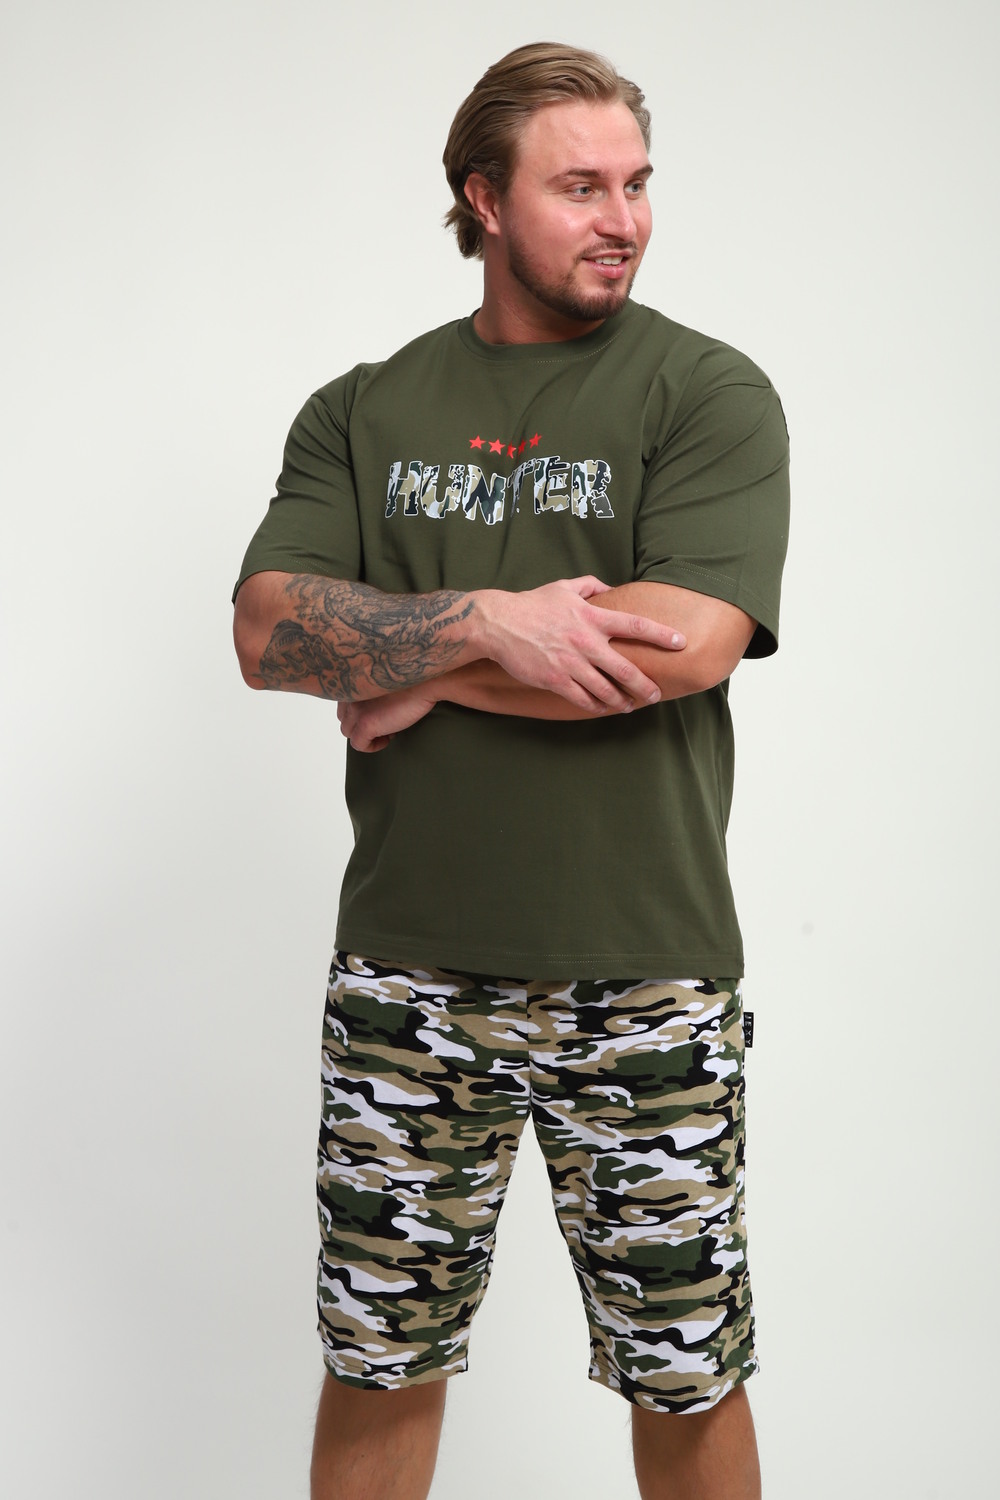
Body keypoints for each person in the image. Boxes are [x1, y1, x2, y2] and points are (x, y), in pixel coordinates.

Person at [233, 40, 789, 1500]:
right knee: (379, 1358)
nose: (625, 218)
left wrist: (409, 668)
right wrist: (485, 620)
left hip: (646, 966)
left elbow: (684, 644)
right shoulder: (364, 408)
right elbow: (271, 633)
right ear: (483, 198)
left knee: (685, 1370)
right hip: (408, 971)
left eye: (638, 183)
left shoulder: (705, 390)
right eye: (580, 186)